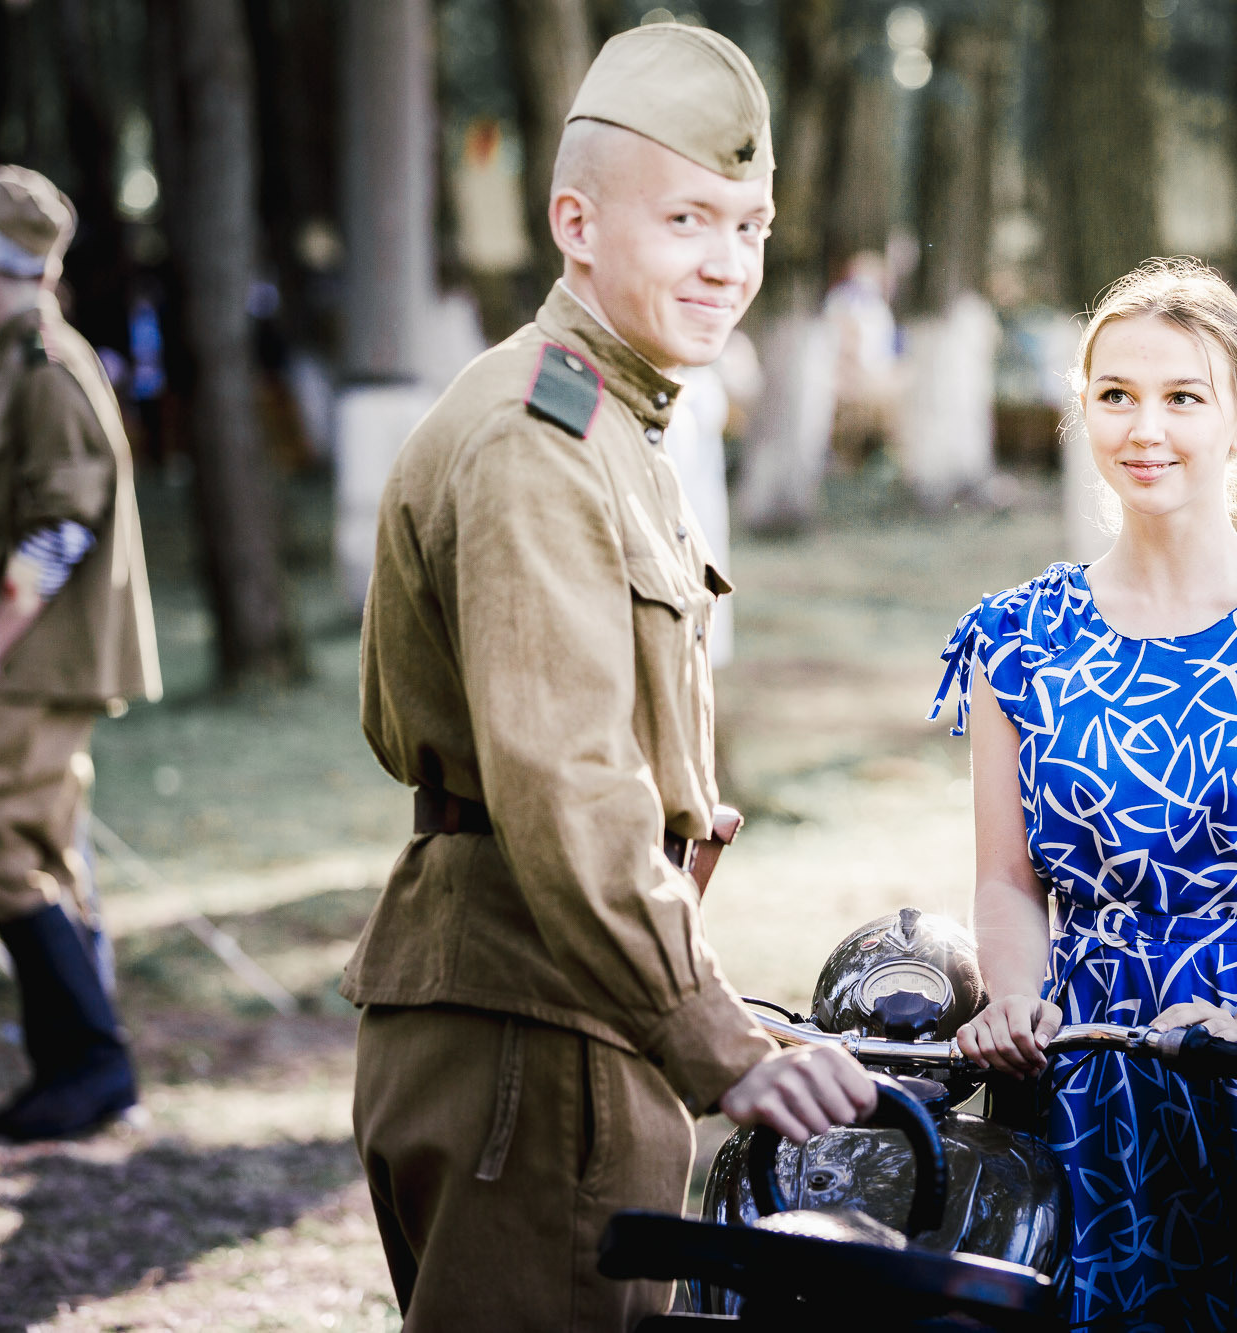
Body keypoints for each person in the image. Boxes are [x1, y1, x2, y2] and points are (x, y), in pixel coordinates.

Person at [342, 25, 875, 1331]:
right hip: (535, 1039)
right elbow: (570, 785)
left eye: (749, 226)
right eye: (690, 217)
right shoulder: (540, 440)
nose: (729, 262)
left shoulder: (611, 416)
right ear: (575, 223)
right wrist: (711, 1036)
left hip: (560, 1015)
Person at [933, 256, 1237, 1331]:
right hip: (1087, 1071)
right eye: (1115, 395)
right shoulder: (1018, 636)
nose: (1144, 427)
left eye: (1181, 396)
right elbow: (1007, 880)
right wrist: (1014, 997)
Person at [0, 167, 161, 1142]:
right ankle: (71, 1071)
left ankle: (91, 1065)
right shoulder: (29, 361)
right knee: (35, 851)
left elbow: (60, 530)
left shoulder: (47, 371)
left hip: (42, 662)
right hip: (42, 660)